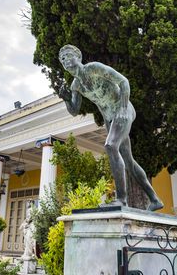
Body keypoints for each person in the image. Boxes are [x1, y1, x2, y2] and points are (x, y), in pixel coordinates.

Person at [59, 44, 163, 211]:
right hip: (109, 118)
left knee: (110, 145)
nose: (65, 60)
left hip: (123, 110)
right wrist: (65, 99)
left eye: (68, 55)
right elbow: (74, 110)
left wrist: (122, 108)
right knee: (129, 162)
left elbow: (123, 82)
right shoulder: (75, 86)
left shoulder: (93, 68)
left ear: (78, 57)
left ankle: (121, 200)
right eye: (62, 59)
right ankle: (155, 199)